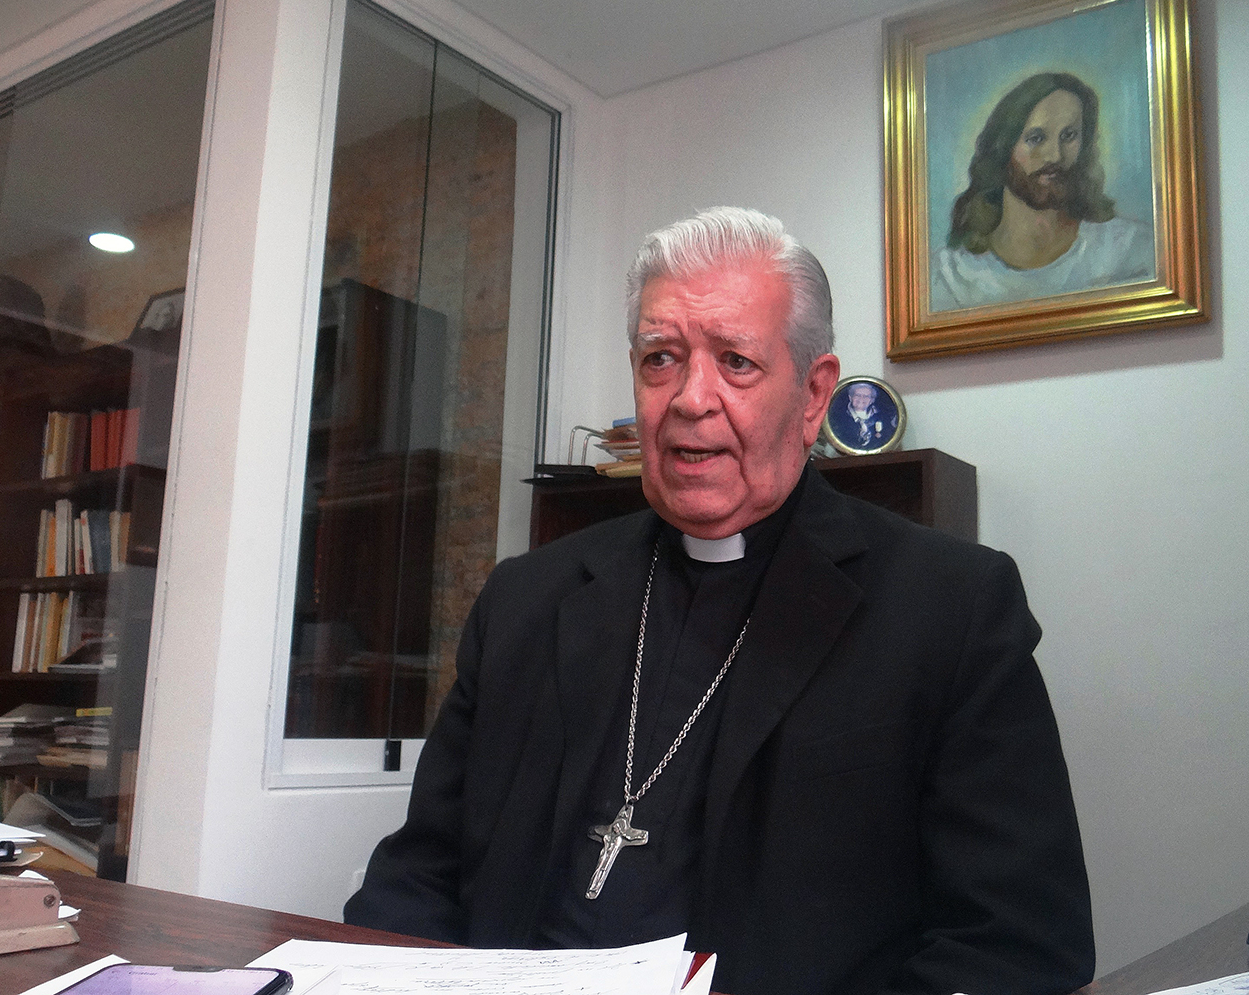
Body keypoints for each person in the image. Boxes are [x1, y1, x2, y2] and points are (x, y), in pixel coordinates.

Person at [346, 207, 1094, 995]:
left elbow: (1016, 941)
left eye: (735, 361)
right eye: (660, 359)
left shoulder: (951, 608)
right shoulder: (526, 599)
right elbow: (418, 875)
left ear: (813, 394)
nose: (690, 397)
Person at [931, 71, 1153, 311]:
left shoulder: (1130, 251)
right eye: (1036, 138)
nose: (1055, 156)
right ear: (1003, 148)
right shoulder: (949, 277)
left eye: (1069, 136)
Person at [826, 381, 897, 451]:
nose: (861, 399)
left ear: (872, 400)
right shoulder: (838, 417)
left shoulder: (882, 417)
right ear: (850, 397)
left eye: (866, 396)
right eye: (857, 395)